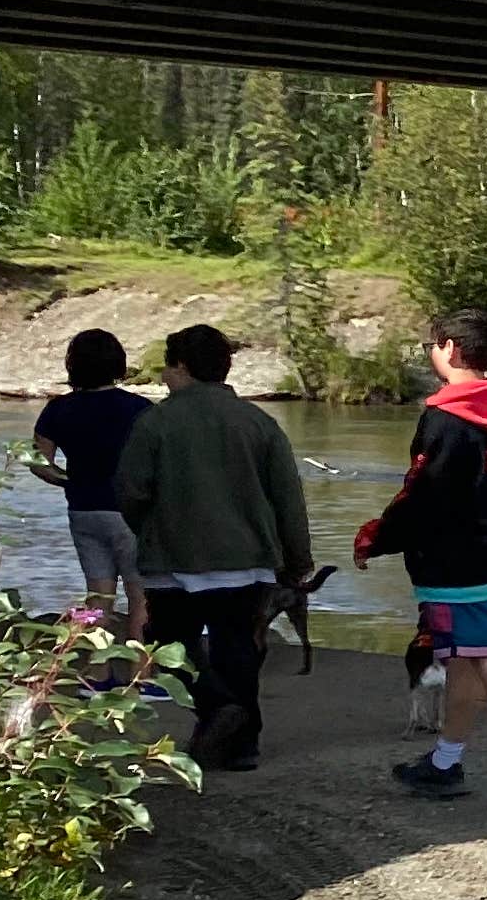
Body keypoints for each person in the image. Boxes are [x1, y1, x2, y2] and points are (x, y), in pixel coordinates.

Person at [356, 306, 487, 818]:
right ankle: (445, 762)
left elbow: (422, 493)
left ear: (449, 349)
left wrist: (378, 537)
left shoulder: (445, 419)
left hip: (458, 565)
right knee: (466, 658)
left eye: (432, 344)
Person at [114, 323, 310, 772]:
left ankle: (216, 706)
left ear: (181, 367)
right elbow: (288, 498)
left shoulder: (156, 422)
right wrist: (297, 559)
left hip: (173, 560)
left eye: (166, 367)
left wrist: (151, 529)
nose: (164, 377)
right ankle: (242, 746)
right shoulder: (258, 422)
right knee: (237, 649)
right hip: (248, 560)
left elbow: (130, 491)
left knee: (169, 646)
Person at [27, 326, 150, 635]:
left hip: (83, 510)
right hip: (130, 513)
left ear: (73, 365)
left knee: (97, 599)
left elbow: (37, 463)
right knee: (141, 599)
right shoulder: (140, 408)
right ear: (118, 363)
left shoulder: (58, 408)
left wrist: (69, 482)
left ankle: (90, 664)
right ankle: (142, 665)